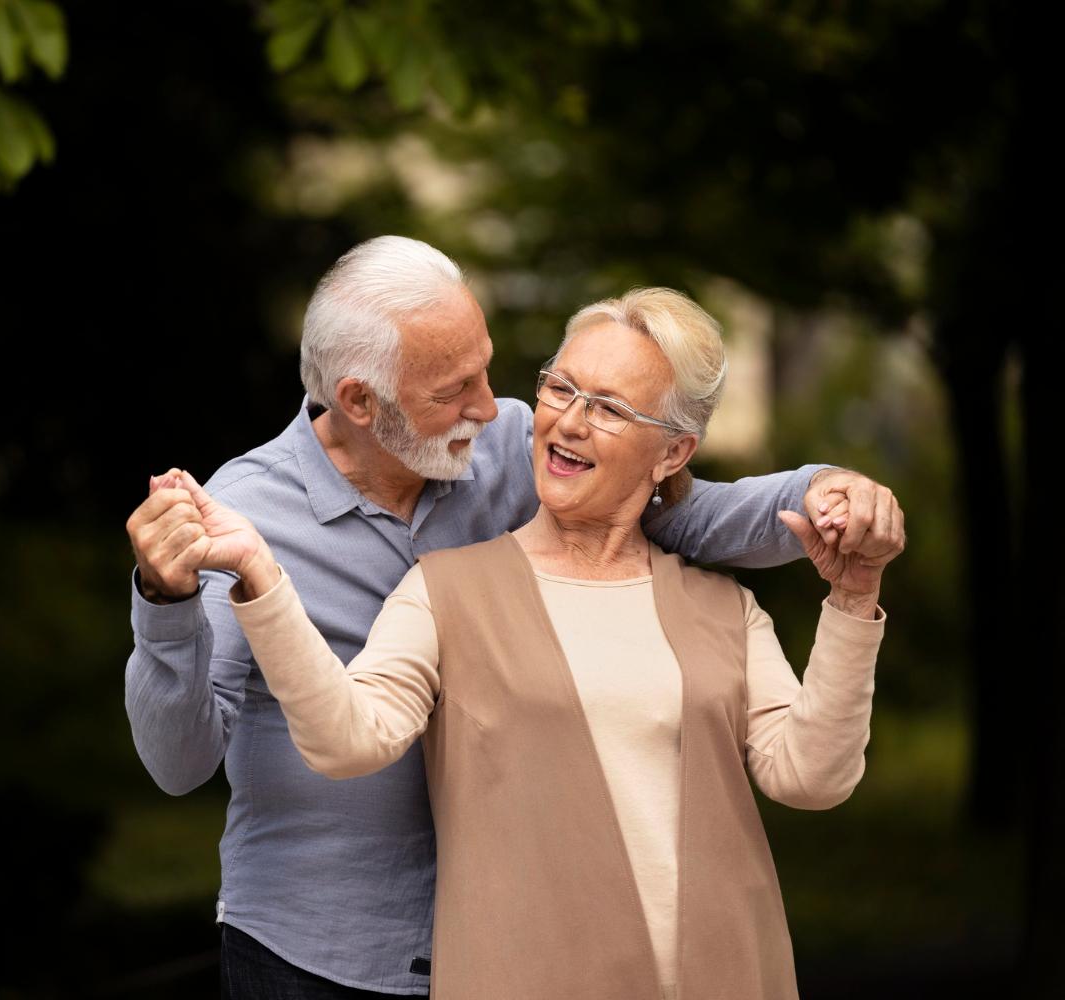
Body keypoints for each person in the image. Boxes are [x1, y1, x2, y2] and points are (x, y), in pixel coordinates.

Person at [124, 238, 903, 998]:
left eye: (490, 369)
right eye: (454, 388)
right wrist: (166, 604)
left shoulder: (508, 448)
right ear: (361, 401)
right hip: (319, 953)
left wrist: (824, 494)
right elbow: (181, 760)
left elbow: (679, 512)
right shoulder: (245, 513)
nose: (493, 406)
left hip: (512, 941)